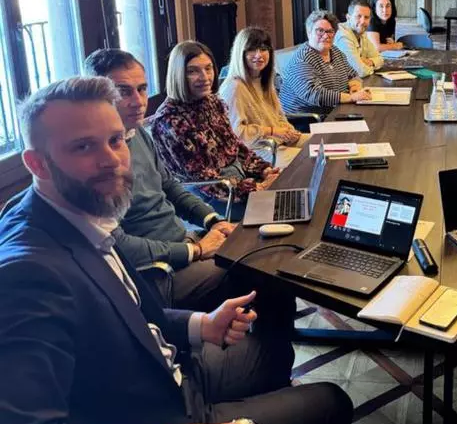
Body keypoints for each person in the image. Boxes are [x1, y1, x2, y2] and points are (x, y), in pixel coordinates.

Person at [0, 76, 353, 424]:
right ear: (37, 164)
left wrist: (202, 324)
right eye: (83, 147)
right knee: (331, 401)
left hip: (172, 373)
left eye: (115, 140)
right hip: (156, 416)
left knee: (274, 350)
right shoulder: (27, 274)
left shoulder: (81, 212)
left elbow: (129, 316)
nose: (112, 160)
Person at [83, 48, 238, 311]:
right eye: (123, 92)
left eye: (142, 89)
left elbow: (169, 187)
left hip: (182, 241)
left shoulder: (137, 133)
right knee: (253, 270)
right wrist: (195, 251)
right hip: (158, 273)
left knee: (259, 249)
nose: (138, 101)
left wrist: (214, 220)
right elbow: (119, 245)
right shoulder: (93, 163)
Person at [151, 41, 281, 222]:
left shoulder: (212, 101)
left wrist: (264, 170)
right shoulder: (170, 120)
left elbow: (236, 147)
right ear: (178, 75)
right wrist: (256, 189)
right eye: (193, 71)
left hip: (237, 182)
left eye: (208, 68)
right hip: (210, 196)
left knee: (292, 196)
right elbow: (202, 178)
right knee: (278, 211)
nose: (205, 77)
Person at [219, 26, 306, 169]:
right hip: (256, 151)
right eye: (252, 50)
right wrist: (271, 131)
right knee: (312, 160)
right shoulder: (234, 87)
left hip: (278, 141)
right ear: (241, 53)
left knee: (326, 144)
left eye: (264, 49)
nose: (259, 55)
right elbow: (236, 134)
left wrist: (288, 131)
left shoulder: (264, 80)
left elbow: (278, 116)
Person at [280, 10, 371, 117]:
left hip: (336, 111)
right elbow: (315, 94)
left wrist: (354, 88)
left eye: (330, 31)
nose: (326, 35)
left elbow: (352, 74)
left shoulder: (335, 51)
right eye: (320, 31)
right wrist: (351, 97)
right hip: (307, 120)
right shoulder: (302, 59)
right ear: (309, 32)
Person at [334, 0, 384, 77]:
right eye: (358, 16)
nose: (363, 21)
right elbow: (359, 71)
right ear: (348, 17)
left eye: (366, 17)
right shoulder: (343, 36)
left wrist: (370, 62)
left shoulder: (362, 33)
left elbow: (380, 59)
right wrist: (371, 67)